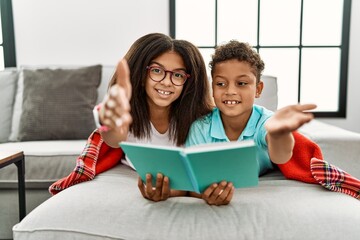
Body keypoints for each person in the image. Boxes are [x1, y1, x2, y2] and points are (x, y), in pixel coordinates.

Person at [96, 33, 233, 205]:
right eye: (156, 71)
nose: (167, 82)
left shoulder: (202, 122)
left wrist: (208, 193)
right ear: (140, 74)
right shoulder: (125, 113)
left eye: (178, 75)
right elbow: (113, 140)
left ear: (187, 83)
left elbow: (197, 178)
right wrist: (113, 123)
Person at [185, 40, 317, 204]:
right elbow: (191, 179)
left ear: (258, 89)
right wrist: (204, 194)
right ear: (213, 88)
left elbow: (281, 157)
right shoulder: (201, 127)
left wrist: (278, 134)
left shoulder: (266, 122)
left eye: (241, 83)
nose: (230, 91)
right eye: (221, 84)